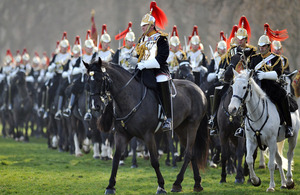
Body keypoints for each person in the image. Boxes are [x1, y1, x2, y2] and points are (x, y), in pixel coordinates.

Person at [247, 25, 293, 138]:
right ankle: (242, 126)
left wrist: (265, 75)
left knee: (283, 96)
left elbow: (278, 73)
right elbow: (249, 71)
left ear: (268, 46)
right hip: (257, 85)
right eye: (260, 46)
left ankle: (289, 126)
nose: (261, 48)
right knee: (243, 98)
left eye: (263, 46)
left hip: (271, 86)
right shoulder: (254, 58)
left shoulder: (276, 58)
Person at [135, 1, 171, 131]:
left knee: (161, 80)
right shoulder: (142, 39)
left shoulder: (162, 38)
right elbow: (137, 56)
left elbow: (161, 58)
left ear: (151, 26)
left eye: (144, 26)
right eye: (142, 26)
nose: (142, 28)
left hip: (158, 69)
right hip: (143, 70)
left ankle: (168, 117)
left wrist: (144, 64)